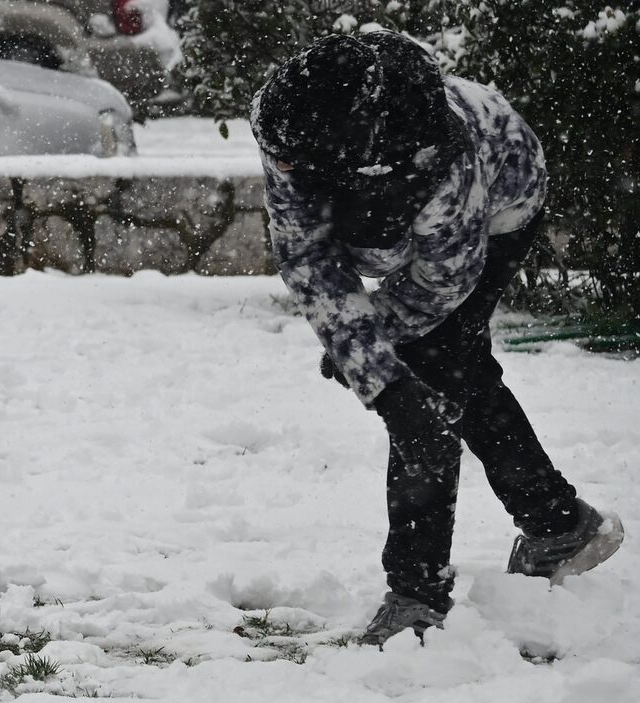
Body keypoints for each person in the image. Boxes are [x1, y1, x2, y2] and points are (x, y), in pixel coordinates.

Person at [250, 31, 625, 645]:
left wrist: (378, 353)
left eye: (294, 160)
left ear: (354, 143)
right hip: (384, 194)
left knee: (435, 369)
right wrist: (366, 360)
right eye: (277, 156)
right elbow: (306, 255)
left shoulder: (443, 163)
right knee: (444, 375)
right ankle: (558, 524)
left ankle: (417, 595)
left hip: (499, 209)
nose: (281, 168)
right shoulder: (290, 120)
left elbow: (438, 284)